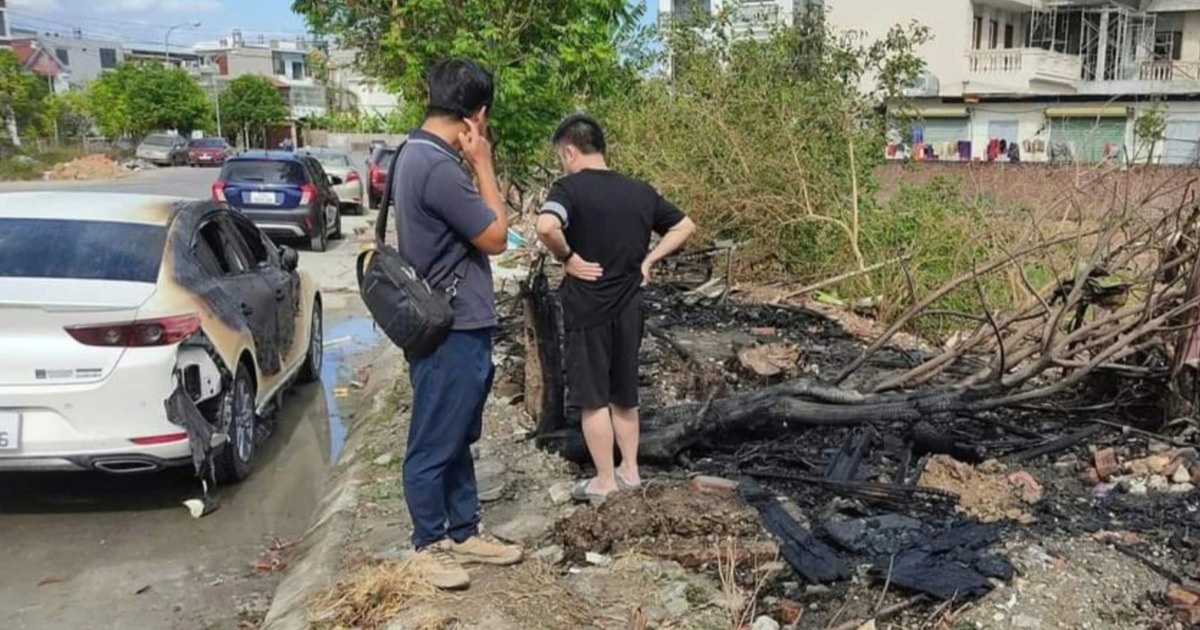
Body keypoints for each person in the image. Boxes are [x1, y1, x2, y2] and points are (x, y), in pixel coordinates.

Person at [392, 58, 522, 590]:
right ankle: (428, 543)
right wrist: (484, 163)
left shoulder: (413, 152)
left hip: (451, 322)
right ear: (478, 115)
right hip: (452, 326)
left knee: (455, 431)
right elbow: (495, 236)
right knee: (433, 438)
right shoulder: (438, 165)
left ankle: (464, 532)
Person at [535, 113, 696, 504]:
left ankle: (605, 479)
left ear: (570, 151)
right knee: (624, 393)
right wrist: (649, 260)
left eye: (562, 156)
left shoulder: (569, 189)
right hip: (629, 306)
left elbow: (545, 226)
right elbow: (685, 225)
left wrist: (568, 257)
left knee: (592, 398)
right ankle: (631, 471)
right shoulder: (639, 190)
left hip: (587, 307)